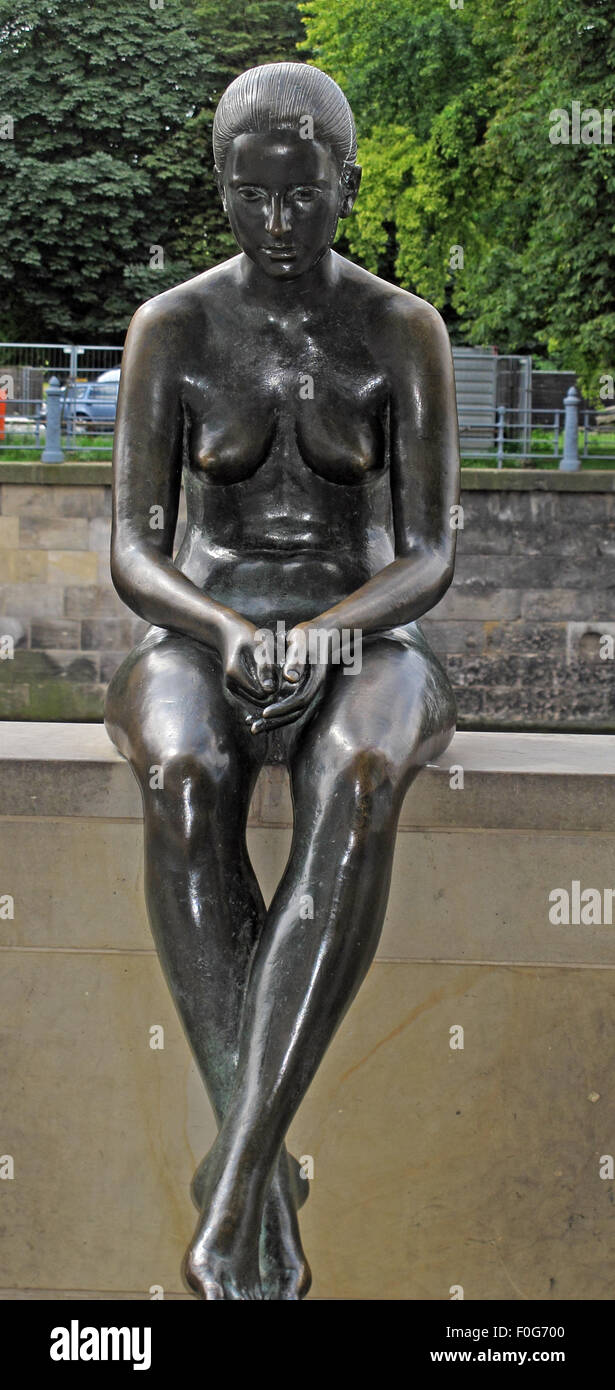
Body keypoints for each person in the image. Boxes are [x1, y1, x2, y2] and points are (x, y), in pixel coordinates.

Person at [104, 61, 459, 1301]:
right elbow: (133, 552)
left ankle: (239, 1182)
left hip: (365, 631)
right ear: (222, 189)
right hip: (203, 627)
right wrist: (228, 630)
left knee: (362, 768)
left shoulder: (401, 329)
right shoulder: (176, 328)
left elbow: (431, 553)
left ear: (344, 185)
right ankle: (264, 1187)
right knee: (188, 774)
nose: (280, 223)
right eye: (255, 197)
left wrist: (324, 635)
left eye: (305, 196)